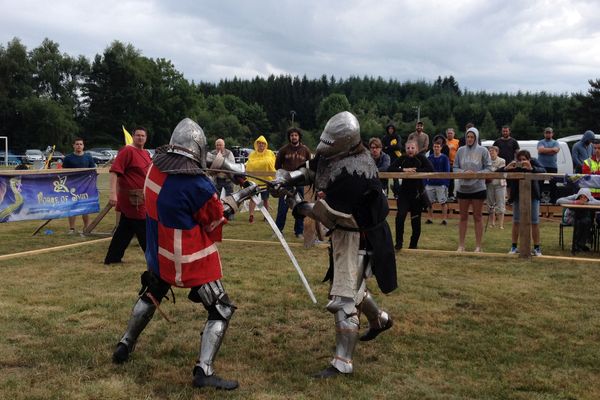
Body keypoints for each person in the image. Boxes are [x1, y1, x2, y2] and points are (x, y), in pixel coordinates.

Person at [112, 118, 257, 390]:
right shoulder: (197, 186)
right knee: (221, 309)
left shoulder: (155, 168)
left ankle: (125, 343)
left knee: (152, 292)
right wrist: (241, 197)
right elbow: (214, 218)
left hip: (159, 252)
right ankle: (204, 369)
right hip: (187, 258)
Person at [272, 111, 396, 378]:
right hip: (343, 233)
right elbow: (311, 171)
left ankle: (343, 363)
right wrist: (287, 178)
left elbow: (330, 213)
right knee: (352, 288)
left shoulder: (358, 173)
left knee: (344, 297)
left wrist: (296, 204)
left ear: (346, 143)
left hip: (359, 234)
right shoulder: (332, 155)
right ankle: (380, 320)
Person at [104, 127, 152, 265]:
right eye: (138, 135)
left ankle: (113, 258)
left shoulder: (146, 153)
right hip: (132, 199)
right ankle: (154, 260)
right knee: (143, 228)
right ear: (133, 136)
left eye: (143, 135)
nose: (140, 138)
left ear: (146, 138)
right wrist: (113, 193)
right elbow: (114, 172)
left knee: (125, 229)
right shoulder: (127, 151)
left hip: (142, 196)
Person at [498, 150, 546, 256]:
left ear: (529, 159)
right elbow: (496, 172)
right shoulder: (514, 164)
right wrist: (507, 168)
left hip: (533, 196)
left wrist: (531, 168)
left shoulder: (533, 162)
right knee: (516, 221)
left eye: (524, 160)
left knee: (534, 221)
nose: (522, 162)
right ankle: (514, 246)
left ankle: (537, 248)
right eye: (520, 160)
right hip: (517, 196)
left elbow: (544, 170)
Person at [388, 140, 433, 249]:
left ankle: (413, 245)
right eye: (408, 148)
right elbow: (390, 168)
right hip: (404, 194)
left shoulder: (421, 158)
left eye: (412, 148)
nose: (410, 150)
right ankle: (399, 243)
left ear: (417, 149)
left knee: (416, 220)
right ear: (405, 149)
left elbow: (430, 168)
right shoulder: (402, 158)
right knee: (400, 217)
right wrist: (403, 170)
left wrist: (416, 171)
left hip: (417, 195)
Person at [453, 127, 492, 252]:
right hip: (463, 188)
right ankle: (461, 245)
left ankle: (478, 246)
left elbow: (489, 168)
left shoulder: (483, 151)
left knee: (478, 217)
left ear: (476, 138)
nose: (470, 139)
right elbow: (454, 168)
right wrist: (464, 172)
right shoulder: (460, 150)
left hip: (478, 188)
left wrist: (476, 174)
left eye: (472, 137)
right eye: (468, 137)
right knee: (463, 217)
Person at [275, 128, 312, 237]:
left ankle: (299, 232)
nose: (294, 137)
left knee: (300, 208)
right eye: (292, 135)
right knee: (282, 208)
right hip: (286, 183)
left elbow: (309, 166)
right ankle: (278, 231)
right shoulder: (283, 150)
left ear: (299, 137)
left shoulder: (305, 150)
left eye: (296, 135)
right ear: (289, 137)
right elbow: (277, 166)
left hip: (300, 183)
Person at [62, 137, 96, 234]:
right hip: (72, 186)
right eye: (77, 144)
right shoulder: (68, 158)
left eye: (81, 144)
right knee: (72, 207)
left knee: (85, 207)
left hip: (86, 186)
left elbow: (93, 171)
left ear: (83, 146)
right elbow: (64, 172)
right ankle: (72, 228)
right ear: (73, 145)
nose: (79, 146)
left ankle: (87, 228)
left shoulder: (88, 157)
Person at [556, 188, 600, 253]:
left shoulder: (590, 199)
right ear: (578, 195)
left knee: (587, 222)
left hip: (583, 218)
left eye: (585, 197)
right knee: (580, 223)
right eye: (581, 196)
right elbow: (559, 200)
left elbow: (598, 202)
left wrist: (586, 203)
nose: (582, 198)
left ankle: (581, 244)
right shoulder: (574, 197)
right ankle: (576, 245)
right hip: (570, 218)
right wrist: (574, 202)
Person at [245, 135, 276, 223]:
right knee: (253, 199)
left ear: (265, 144)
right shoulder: (252, 154)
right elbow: (249, 165)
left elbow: (273, 164)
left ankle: (266, 216)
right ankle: (251, 216)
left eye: (263, 143)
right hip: (254, 181)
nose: (261, 145)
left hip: (266, 181)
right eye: (259, 143)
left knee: (265, 199)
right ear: (256, 144)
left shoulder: (270, 153)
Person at [425, 141, 450, 225]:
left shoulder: (444, 158)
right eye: (435, 146)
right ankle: (430, 218)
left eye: (438, 147)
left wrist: (446, 183)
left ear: (441, 148)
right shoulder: (429, 158)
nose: (436, 148)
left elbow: (447, 171)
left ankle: (444, 219)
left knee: (443, 202)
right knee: (429, 202)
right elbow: (426, 170)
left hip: (441, 184)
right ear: (432, 147)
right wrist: (425, 183)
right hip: (430, 183)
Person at [537, 127, 560, 203]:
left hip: (552, 166)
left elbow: (556, 150)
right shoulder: (540, 142)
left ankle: (554, 201)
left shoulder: (556, 142)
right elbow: (540, 150)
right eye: (546, 132)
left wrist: (545, 150)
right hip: (541, 166)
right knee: (540, 183)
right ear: (544, 134)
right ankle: (538, 200)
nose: (548, 134)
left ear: (552, 134)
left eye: (549, 133)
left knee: (553, 184)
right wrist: (551, 150)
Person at [485, 146, 506, 229]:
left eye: (493, 151)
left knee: (500, 203)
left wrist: (490, 172)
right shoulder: (486, 161)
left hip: (499, 185)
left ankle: (501, 224)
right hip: (489, 184)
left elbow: (500, 170)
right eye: (490, 151)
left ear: (497, 152)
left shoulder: (502, 160)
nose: (491, 153)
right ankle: (492, 223)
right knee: (490, 204)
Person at [381, 123, 402, 197]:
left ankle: (397, 194)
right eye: (389, 128)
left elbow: (399, 147)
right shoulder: (385, 137)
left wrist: (388, 147)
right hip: (386, 159)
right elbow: (382, 148)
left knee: (395, 177)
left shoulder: (397, 136)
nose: (390, 130)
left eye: (392, 129)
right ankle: (385, 194)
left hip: (395, 159)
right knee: (385, 177)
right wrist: (392, 147)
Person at [446, 128, 460, 200]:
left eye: (451, 133)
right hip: (446, 163)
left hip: (454, 163)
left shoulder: (457, 142)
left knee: (453, 179)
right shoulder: (444, 141)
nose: (450, 134)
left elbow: (459, 152)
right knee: (446, 179)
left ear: (454, 134)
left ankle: (451, 194)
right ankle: (446, 194)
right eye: (448, 133)